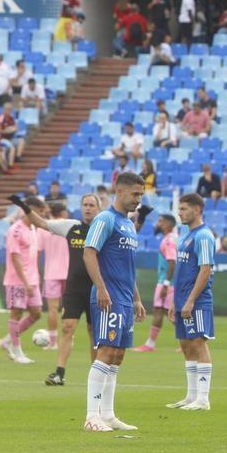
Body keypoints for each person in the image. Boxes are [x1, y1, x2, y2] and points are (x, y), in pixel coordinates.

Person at [16, 194, 118, 386]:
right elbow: (42, 223)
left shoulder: (104, 229)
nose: (87, 208)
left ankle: (95, 375)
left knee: (93, 332)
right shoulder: (71, 226)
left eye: (91, 205)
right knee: (67, 327)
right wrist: (24, 207)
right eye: (84, 204)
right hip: (74, 287)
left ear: (98, 209)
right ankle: (59, 373)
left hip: (96, 288)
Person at [82, 172, 147, 433]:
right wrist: (100, 288)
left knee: (118, 355)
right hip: (107, 297)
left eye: (141, 195)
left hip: (124, 298)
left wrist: (137, 298)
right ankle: (91, 415)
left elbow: (126, 267)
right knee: (106, 351)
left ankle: (107, 414)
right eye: (135, 194)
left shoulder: (129, 224)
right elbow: (89, 253)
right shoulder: (105, 219)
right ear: (119, 192)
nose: (138, 200)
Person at [165, 193, 216, 411]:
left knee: (198, 343)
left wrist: (191, 300)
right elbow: (181, 271)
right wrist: (176, 301)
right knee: (186, 345)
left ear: (197, 210)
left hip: (198, 300)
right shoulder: (185, 236)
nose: (179, 213)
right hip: (182, 299)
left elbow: (206, 270)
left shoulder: (204, 236)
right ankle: (191, 395)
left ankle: (203, 399)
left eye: (184, 209)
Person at [1, 197, 47, 364]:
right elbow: (15, 258)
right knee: (17, 313)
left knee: (36, 313)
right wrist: (25, 282)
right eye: (40, 212)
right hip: (17, 281)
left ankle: (7, 340)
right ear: (31, 211)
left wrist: (34, 279)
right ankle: (17, 351)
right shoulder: (16, 230)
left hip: (32, 280)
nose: (42, 216)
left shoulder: (34, 228)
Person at [136, 214, 177, 353]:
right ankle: (151, 344)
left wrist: (166, 284)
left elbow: (172, 263)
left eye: (160, 221)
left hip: (167, 283)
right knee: (164, 312)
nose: (157, 224)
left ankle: (189, 340)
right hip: (170, 282)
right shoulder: (172, 239)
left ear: (168, 225)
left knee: (167, 313)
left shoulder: (169, 241)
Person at [36, 202, 69, 350]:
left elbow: (37, 251)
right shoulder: (69, 226)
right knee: (69, 309)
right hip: (69, 272)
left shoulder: (44, 228)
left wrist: (36, 271)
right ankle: (69, 338)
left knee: (52, 309)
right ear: (62, 213)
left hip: (51, 273)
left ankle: (53, 342)